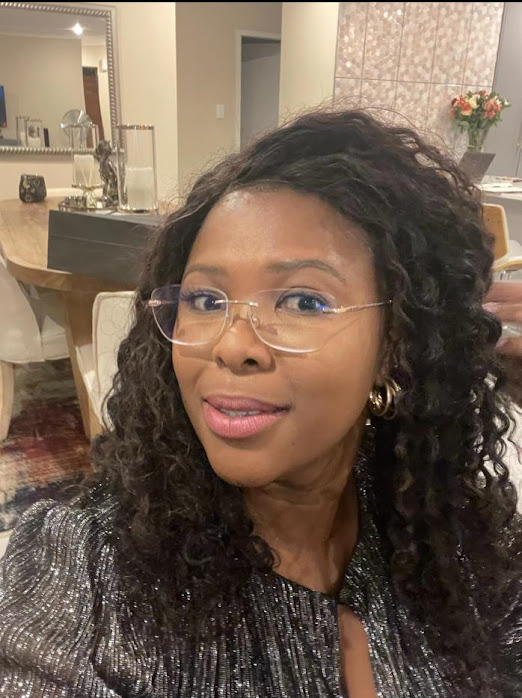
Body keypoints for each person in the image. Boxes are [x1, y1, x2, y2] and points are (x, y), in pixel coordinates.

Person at [0, 110, 521, 698]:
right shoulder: (82, 569)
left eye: (302, 302)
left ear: (395, 343)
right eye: (205, 300)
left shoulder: (452, 536)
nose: (232, 346)